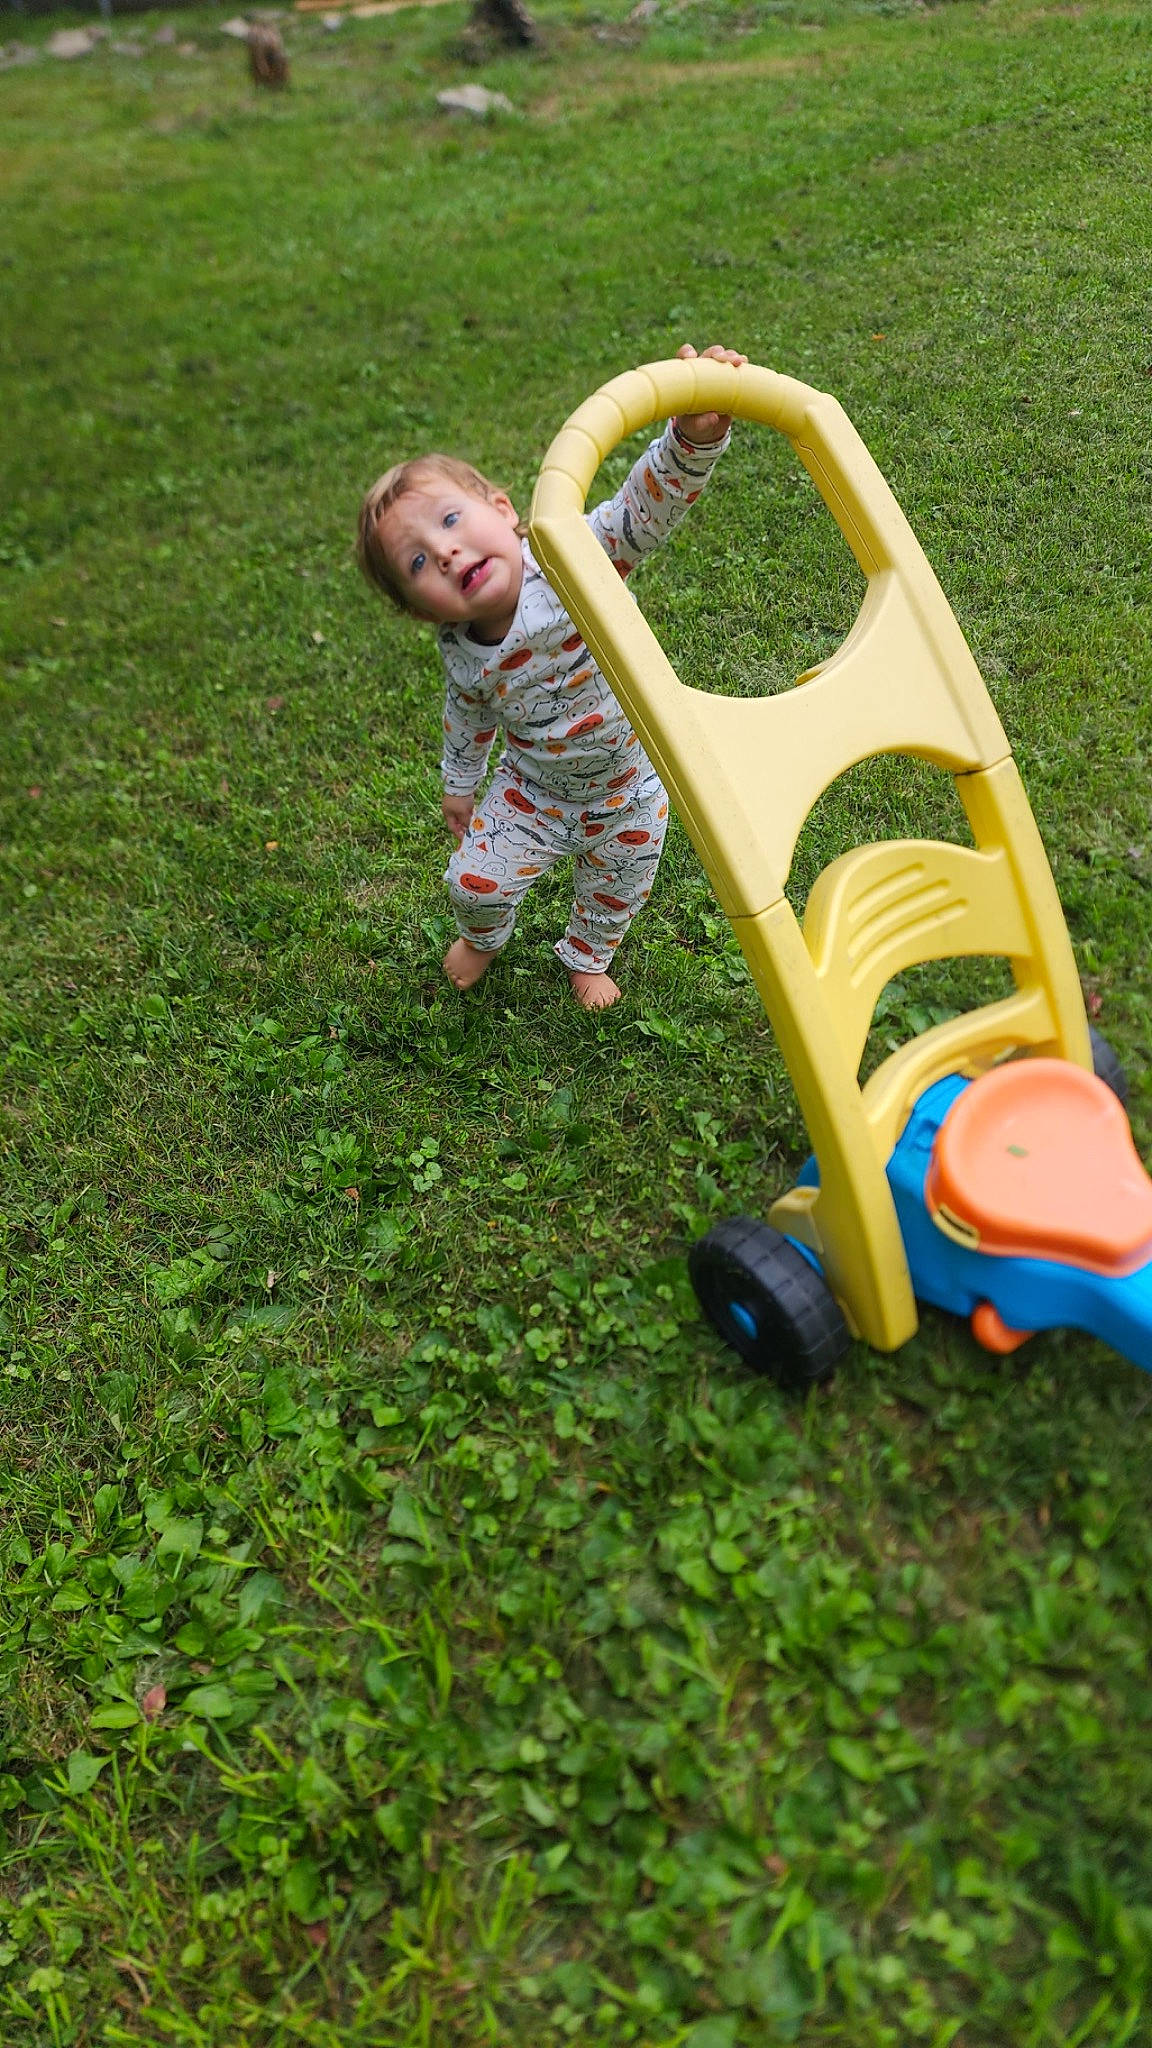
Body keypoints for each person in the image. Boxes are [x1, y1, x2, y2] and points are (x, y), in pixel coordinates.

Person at [357, 343, 747, 1009]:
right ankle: (484, 939)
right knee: (472, 882)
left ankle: (589, 955)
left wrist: (689, 439)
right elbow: (468, 714)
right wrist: (460, 787)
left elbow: (643, 508)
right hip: (532, 788)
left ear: (503, 509)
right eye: (419, 562)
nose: (447, 552)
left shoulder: (573, 559)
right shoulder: (460, 647)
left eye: (451, 521)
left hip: (629, 777)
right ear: (424, 611)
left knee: (620, 879)